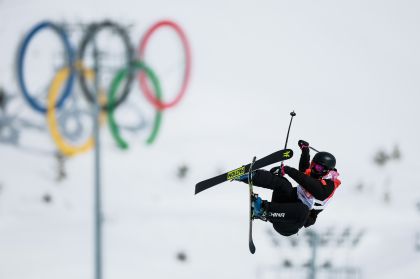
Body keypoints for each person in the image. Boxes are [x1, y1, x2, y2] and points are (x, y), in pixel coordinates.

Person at [238, 140, 341, 236]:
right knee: (284, 184)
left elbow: (316, 189)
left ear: (327, 171)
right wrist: (305, 151)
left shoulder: (330, 185)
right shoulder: (313, 173)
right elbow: (303, 170)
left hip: (289, 223)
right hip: (283, 206)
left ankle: (262, 210)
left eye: (318, 168)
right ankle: (251, 176)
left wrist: (287, 169)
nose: (314, 169)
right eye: (313, 165)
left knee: (303, 210)